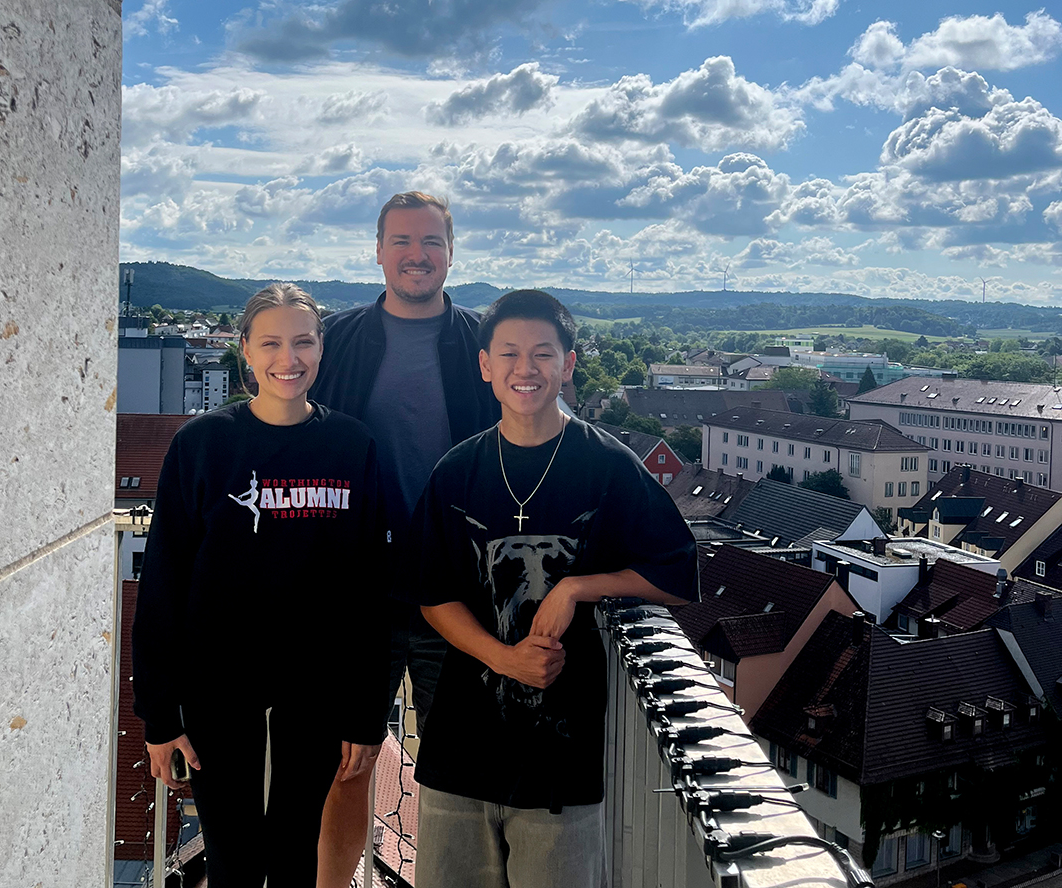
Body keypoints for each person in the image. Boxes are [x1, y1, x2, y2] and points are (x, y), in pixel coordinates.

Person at [410, 290, 699, 888]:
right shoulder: (456, 471)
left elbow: (676, 571)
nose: (526, 369)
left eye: (543, 353)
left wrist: (578, 587)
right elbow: (433, 593)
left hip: (560, 771)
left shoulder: (608, 466)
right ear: (485, 366)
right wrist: (504, 658)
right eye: (509, 354)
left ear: (569, 364)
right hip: (458, 755)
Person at [131, 283, 390, 888]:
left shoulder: (352, 447)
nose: (288, 358)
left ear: (321, 349)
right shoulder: (202, 447)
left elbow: (367, 591)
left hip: (318, 686)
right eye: (270, 342)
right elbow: (163, 583)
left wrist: (366, 715)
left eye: (303, 341)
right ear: (245, 350)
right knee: (232, 854)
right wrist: (159, 717)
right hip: (218, 682)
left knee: (299, 847)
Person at [310, 191, 499, 884]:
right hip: (357, 591)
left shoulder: (483, 342)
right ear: (379, 250)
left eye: (432, 242)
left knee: (456, 776)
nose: (417, 255)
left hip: (454, 588)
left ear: (451, 252)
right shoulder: (340, 340)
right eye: (403, 241)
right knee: (345, 764)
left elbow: (542, 438)